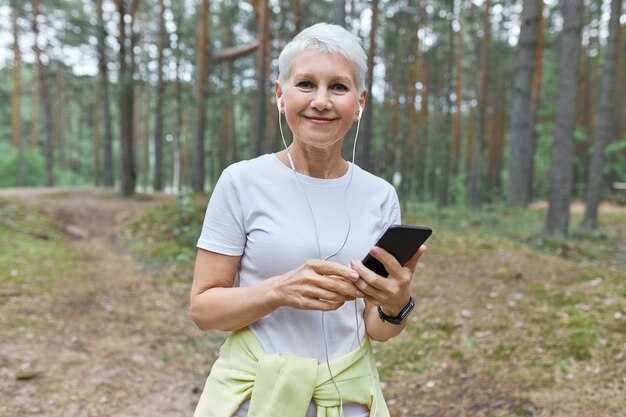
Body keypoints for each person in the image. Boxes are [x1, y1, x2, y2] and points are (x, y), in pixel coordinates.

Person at [190, 22, 426, 417]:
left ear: (360, 101)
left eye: (338, 87)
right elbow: (203, 310)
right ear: (281, 96)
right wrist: (278, 291)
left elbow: (377, 328)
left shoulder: (380, 195)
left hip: (347, 397)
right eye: (305, 84)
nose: (321, 101)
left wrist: (397, 303)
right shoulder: (242, 181)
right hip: (256, 396)